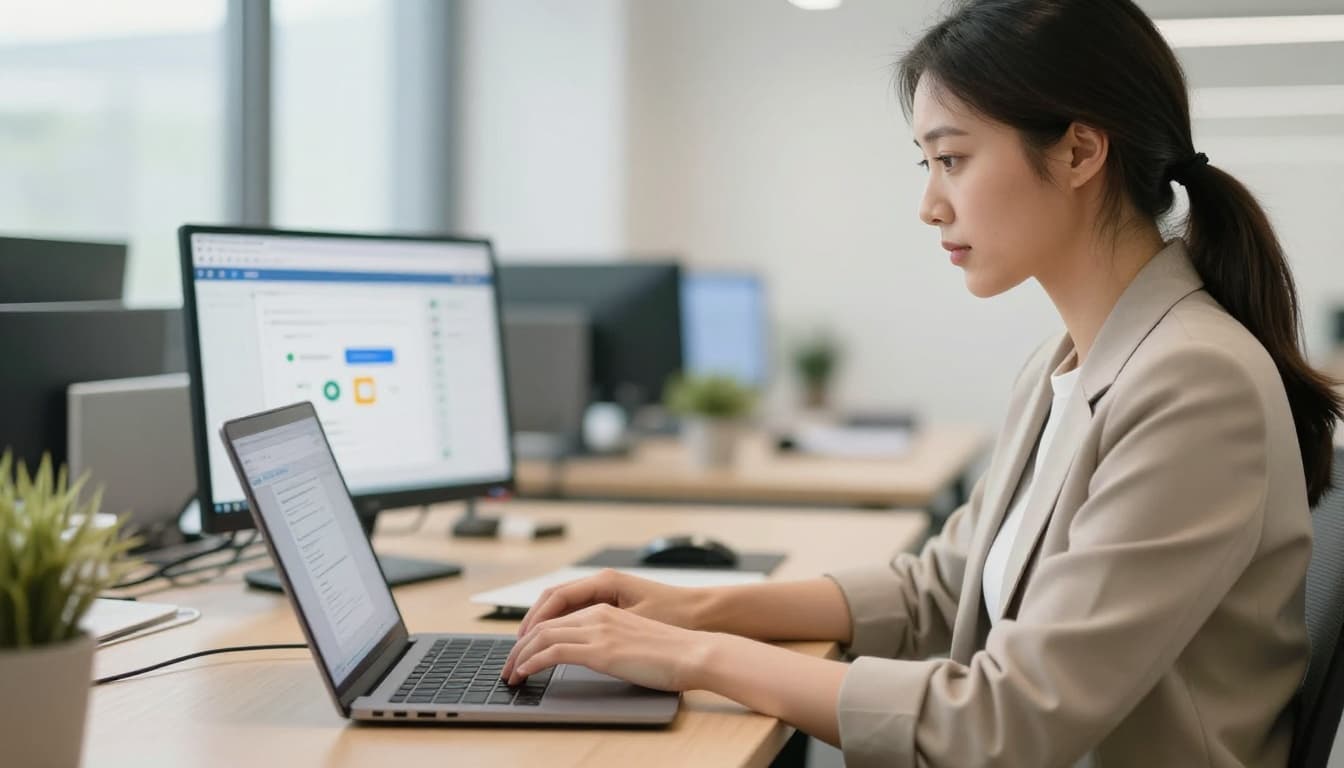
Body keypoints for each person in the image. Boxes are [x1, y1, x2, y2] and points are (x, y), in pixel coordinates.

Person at [500, 1, 1342, 764]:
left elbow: (1008, 720)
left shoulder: (1193, 382)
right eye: (926, 165)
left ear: (1081, 150)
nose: (931, 205)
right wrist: (695, 609)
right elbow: (940, 586)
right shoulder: (1070, 361)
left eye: (952, 159)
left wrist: (696, 658)